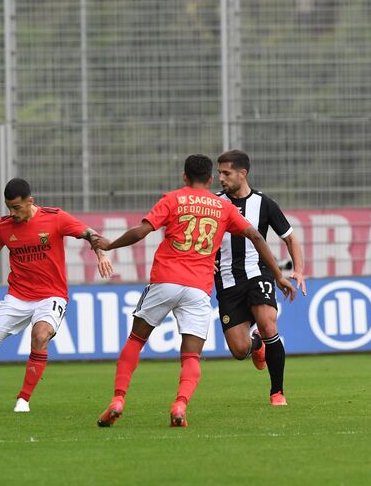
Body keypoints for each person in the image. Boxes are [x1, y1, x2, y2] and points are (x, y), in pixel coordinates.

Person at [93, 154, 296, 428]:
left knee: (136, 340)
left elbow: (141, 231)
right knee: (190, 356)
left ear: (184, 177)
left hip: (165, 281)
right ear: (211, 178)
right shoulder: (222, 207)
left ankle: (118, 399)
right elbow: (257, 236)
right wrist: (279, 275)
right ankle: (179, 406)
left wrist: (109, 245)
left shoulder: (173, 199)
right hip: (198, 289)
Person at [0, 178, 113, 413]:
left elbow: (90, 234)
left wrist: (101, 255)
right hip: (18, 296)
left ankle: (23, 399)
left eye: (17, 207)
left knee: (41, 334)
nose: (13, 213)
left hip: (51, 295)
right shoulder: (4, 226)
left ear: (30, 201)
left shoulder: (55, 218)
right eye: (9, 207)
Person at [215, 150, 306, 406]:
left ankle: (277, 392)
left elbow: (290, 238)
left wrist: (297, 270)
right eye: (219, 172)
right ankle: (256, 344)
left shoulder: (264, 203)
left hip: (259, 272)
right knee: (239, 350)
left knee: (268, 324)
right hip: (227, 279)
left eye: (226, 173)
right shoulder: (214, 203)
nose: (220, 178)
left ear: (242, 174)